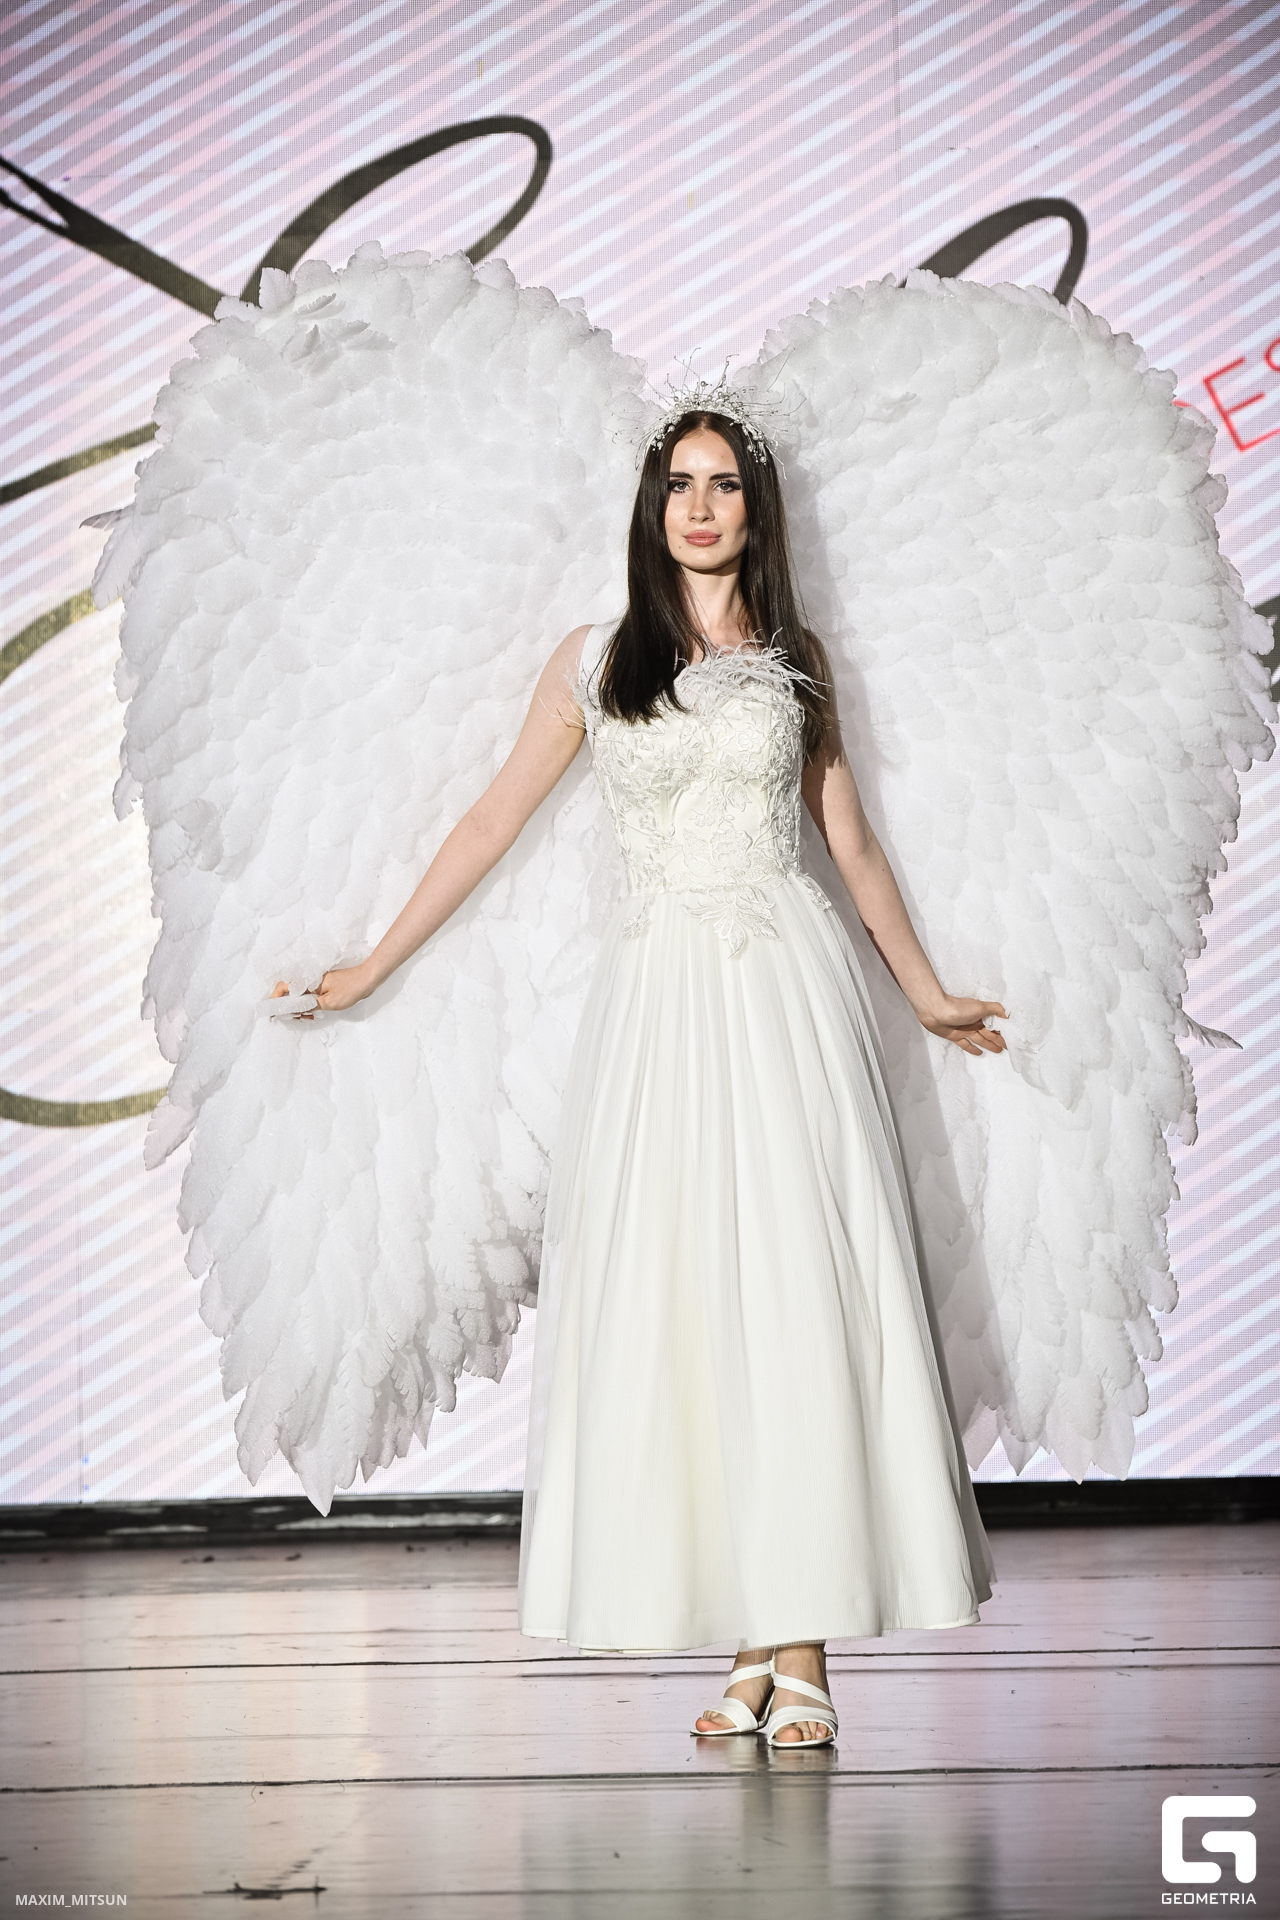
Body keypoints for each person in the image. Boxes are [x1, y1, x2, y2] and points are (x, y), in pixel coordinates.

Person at [274, 396, 1006, 1747]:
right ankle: (752, 1640)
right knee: (690, 1304)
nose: (701, 506)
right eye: (680, 483)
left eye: (724, 484)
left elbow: (847, 840)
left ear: (755, 509)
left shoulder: (795, 660)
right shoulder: (596, 660)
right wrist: (372, 965)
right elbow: (492, 819)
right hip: (658, 1004)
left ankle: (801, 1644)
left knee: (793, 1291)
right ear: (651, 505)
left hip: (782, 992)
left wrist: (924, 991)